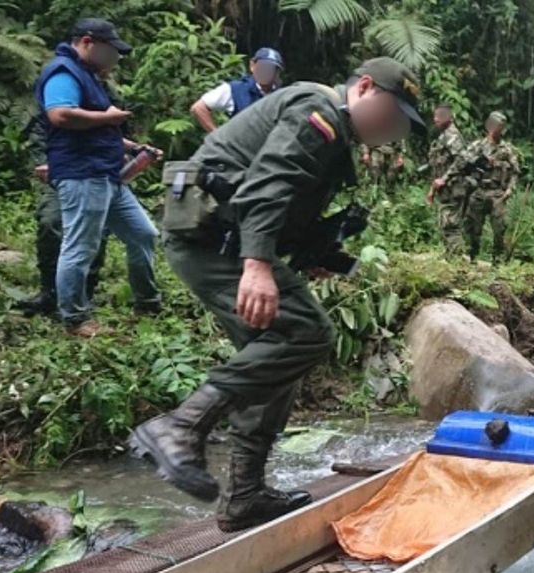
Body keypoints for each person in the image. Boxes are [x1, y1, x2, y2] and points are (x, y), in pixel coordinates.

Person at [128, 57, 425, 532]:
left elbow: (289, 202)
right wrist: (258, 264)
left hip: (221, 239)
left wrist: (314, 253)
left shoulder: (335, 132)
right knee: (307, 332)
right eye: (392, 115)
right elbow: (269, 183)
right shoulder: (319, 113)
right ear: (365, 87)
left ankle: (244, 495)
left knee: (275, 362)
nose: (393, 129)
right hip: (213, 241)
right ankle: (179, 427)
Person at [33, 18, 161, 337]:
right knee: (81, 246)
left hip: (108, 175)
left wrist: (135, 147)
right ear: (88, 42)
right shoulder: (64, 71)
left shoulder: (89, 75)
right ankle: (74, 319)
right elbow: (60, 114)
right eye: (110, 50)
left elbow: (101, 128)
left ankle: (147, 301)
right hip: (83, 173)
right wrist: (108, 117)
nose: (114, 58)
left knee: (143, 233)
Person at [15, 109, 107, 316]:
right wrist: (45, 164)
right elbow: (38, 141)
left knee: (94, 230)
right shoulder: (51, 106)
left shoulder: (104, 101)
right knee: (50, 222)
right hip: (61, 177)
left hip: (96, 177)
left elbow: (120, 139)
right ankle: (49, 292)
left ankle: (84, 293)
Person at [432, 111, 519, 261]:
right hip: (478, 192)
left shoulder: (507, 150)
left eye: (500, 126)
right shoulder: (477, 146)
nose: (496, 129)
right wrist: (444, 179)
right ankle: (472, 258)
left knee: (499, 229)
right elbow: (460, 163)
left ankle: (498, 261)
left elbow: (516, 172)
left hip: (497, 194)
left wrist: (510, 189)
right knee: (472, 229)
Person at [190, 47, 284, 132]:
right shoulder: (236, 89)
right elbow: (198, 108)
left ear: (277, 73)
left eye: (272, 68)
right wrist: (217, 136)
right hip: (239, 149)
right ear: (252, 66)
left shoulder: (282, 97)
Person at [425, 103, 468, 253]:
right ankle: (451, 256)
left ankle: (458, 259)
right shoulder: (443, 137)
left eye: (439, 116)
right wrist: (433, 189)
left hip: (454, 187)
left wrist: (444, 178)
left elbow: (462, 160)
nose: (436, 119)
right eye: (435, 116)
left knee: (450, 226)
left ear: (448, 118)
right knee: (444, 223)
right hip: (446, 189)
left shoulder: (453, 136)